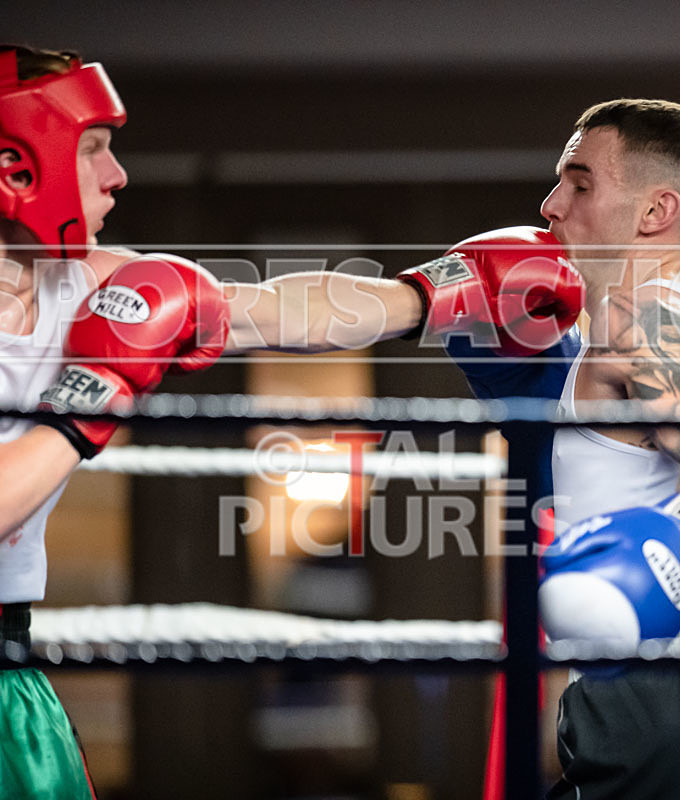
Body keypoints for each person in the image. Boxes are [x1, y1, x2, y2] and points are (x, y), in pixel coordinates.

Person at [0, 45, 583, 796]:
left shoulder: (91, 283)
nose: (116, 175)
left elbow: (280, 310)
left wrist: (439, 289)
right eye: (93, 148)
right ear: (17, 166)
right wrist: (93, 392)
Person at [469, 99, 680, 799]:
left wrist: (671, 548)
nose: (551, 204)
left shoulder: (642, 316)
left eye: (580, 183)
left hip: (672, 682)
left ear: (655, 211)